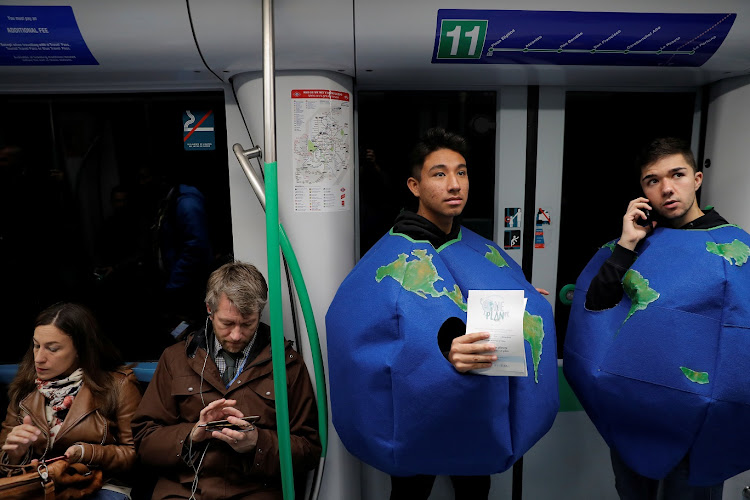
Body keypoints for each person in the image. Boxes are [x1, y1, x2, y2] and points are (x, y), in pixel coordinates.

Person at [326, 128, 559, 500]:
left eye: (461, 172)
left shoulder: (479, 249)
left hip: (477, 413)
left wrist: (527, 307)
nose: (455, 184)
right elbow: (363, 331)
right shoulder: (393, 257)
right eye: (439, 174)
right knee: (411, 491)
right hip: (419, 418)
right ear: (414, 186)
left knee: (474, 489)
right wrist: (444, 354)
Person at [565, 137, 750, 499]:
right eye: (653, 180)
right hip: (635, 413)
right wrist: (627, 244)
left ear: (696, 179)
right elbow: (596, 309)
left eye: (677, 174)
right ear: (643, 190)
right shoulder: (635, 244)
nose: (666, 188)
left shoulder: (734, 248)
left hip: (701, 422)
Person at [131, 261, 321, 500]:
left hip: (255, 492)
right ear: (209, 310)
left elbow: (309, 450)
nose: (237, 335)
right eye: (227, 323)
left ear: (259, 313)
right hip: (184, 491)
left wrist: (257, 442)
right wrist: (192, 435)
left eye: (248, 324)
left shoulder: (287, 364)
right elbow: (145, 442)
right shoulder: (175, 359)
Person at [0, 302, 142, 500]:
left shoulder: (118, 386)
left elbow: (135, 455)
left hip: (100, 485)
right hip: (40, 486)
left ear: (80, 350)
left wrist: (87, 452)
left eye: (52, 349)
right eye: (36, 345)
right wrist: (15, 454)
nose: (39, 358)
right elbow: (5, 463)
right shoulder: (26, 387)